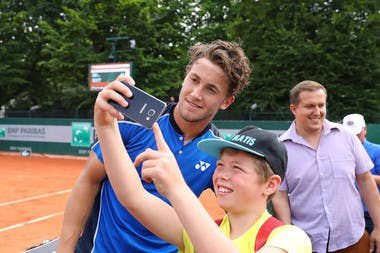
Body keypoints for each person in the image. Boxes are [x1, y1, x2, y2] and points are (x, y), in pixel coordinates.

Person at [56, 40, 251, 253]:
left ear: (226, 102)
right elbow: (89, 180)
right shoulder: (130, 119)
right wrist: (65, 250)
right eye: (194, 80)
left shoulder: (216, 153)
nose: (195, 93)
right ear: (186, 75)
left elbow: (241, 212)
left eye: (211, 89)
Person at [93, 87, 312, 253]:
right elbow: (134, 197)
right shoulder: (201, 230)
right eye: (220, 165)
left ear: (270, 184)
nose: (222, 176)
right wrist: (105, 126)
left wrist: (177, 189)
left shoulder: (290, 239)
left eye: (236, 167)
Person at [271, 80, 380, 253]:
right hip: (308, 244)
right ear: (294, 109)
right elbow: (280, 195)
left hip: (354, 240)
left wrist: (379, 227)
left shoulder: (346, 136)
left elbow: (366, 180)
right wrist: (288, 236)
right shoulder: (280, 148)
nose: (317, 112)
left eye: (321, 105)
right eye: (310, 106)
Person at [343, 113, 380, 234]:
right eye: (350, 134)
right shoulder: (337, 152)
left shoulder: (377, 151)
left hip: (370, 215)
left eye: (357, 133)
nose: (354, 137)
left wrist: (361, 176)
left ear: (365, 130)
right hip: (345, 216)